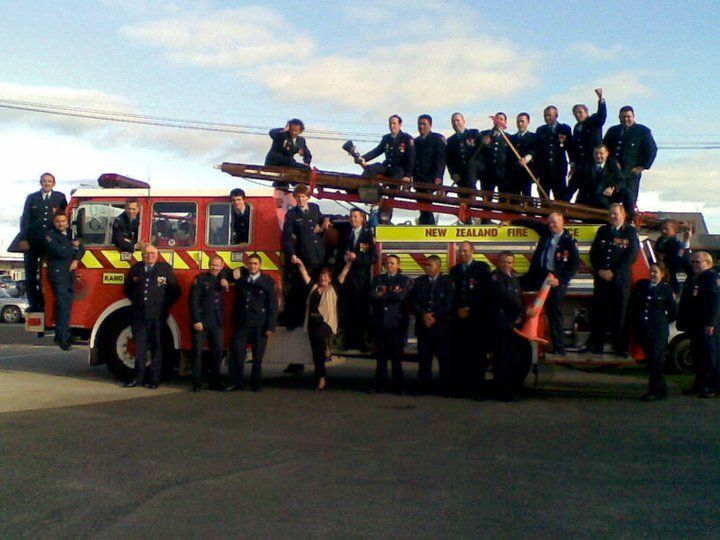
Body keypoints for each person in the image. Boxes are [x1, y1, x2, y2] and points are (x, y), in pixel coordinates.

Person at [520, 212, 580, 356]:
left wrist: (561, 281)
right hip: (538, 276)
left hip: (555, 280)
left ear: (562, 222)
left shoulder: (569, 241)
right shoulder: (546, 231)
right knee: (513, 288)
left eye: (554, 222)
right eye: (549, 223)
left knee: (554, 311)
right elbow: (531, 222)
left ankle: (559, 348)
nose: (551, 225)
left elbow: (573, 264)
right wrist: (512, 222)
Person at [123, 244, 180, 389]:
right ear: (142, 255)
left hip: (158, 315)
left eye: (152, 253)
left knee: (157, 348)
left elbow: (174, 290)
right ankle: (138, 378)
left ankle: (154, 380)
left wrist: (163, 305)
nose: (150, 256)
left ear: (157, 254)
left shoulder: (164, 269)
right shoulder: (135, 269)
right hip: (139, 315)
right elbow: (128, 289)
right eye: (147, 254)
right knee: (140, 348)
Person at [588, 203, 640, 356]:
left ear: (623, 215)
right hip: (602, 280)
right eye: (610, 213)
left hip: (620, 281)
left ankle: (620, 347)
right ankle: (597, 345)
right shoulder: (603, 231)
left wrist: (614, 272)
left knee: (620, 314)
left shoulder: (630, 232)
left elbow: (631, 256)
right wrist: (600, 270)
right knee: (600, 313)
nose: (612, 216)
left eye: (615, 214)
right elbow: (594, 254)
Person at [295, 258, 352, 391]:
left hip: (325, 323)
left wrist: (349, 262)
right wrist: (300, 264)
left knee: (319, 339)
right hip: (312, 323)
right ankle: (320, 376)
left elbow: (343, 274)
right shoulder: (314, 288)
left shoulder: (333, 288)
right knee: (316, 353)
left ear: (330, 279)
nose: (323, 278)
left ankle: (323, 365)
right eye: (321, 276)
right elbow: (305, 275)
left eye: (326, 276)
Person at [227, 253, 278, 392]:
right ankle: (237, 383)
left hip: (259, 324)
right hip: (242, 322)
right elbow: (224, 274)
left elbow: (272, 305)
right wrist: (230, 276)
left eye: (255, 263)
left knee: (257, 357)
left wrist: (270, 326)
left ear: (260, 265)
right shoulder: (242, 277)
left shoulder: (267, 281)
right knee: (237, 354)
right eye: (250, 263)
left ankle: (256, 384)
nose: (252, 266)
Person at [18, 172, 67, 313]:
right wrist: (23, 239)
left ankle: (48, 303)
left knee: (50, 273)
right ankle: (34, 304)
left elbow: (65, 218)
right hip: (33, 242)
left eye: (49, 181)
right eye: (44, 181)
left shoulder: (60, 197)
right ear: (40, 183)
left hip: (51, 244)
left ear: (54, 183)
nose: (47, 184)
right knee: (31, 274)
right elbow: (25, 219)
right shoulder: (32, 198)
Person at [449, 241, 491, 397]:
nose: (463, 254)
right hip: (458, 318)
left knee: (477, 354)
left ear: (473, 251)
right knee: (460, 353)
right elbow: (452, 295)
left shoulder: (482, 268)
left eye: (466, 251)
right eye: (460, 251)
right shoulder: (455, 270)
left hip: (476, 318)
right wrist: (458, 310)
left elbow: (485, 294)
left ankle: (477, 389)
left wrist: (470, 310)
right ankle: (461, 388)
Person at [630, 262, 677, 401]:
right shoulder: (642, 286)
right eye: (651, 271)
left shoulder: (665, 290)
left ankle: (655, 390)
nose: (652, 274)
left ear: (662, 274)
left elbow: (674, 312)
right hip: (644, 330)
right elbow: (634, 305)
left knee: (656, 361)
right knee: (651, 362)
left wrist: (660, 322)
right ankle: (661, 390)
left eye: (655, 272)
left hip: (658, 331)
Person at [488, 251, 530, 402]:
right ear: (498, 263)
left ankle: (514, 388)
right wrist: (525, 310)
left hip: (514, 326)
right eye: (504, 262)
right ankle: (503, 392)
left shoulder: (514, 279)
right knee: (503, 361)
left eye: (510, 262)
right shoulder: (495, 278)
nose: (507, 265)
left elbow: (519, 297)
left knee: (521, 358)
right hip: (502, 326)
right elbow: (506, 297)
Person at [410, 255, 455, 396]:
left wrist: (434, 316)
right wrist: (423, 314)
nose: (427, 267)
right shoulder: (419, 282)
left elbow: (449, 303)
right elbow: (413, 301)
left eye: (430, 265)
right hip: (424, 326)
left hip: (441, 326)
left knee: (444, 358)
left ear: (438, 267)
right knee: (424, 358)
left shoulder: (447, 282)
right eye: (426, 265)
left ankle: (444, 388)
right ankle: (423, 387)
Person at [677, 251, 720, 398]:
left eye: (698, 262)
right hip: (695, 324)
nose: (694, 265)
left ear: (708, 263)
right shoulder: (695, 278)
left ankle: (715, 386)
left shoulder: (711, 277)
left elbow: (715, 301)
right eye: (693, 262)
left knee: (710, 357)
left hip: (707, 324)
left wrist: (711, 322)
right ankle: (700, 384)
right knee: (698, 356)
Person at [358, 114, 415, 223]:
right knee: (370, 169)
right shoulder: (386, 138)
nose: (392, 126)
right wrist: (363, 158)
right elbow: (377, 150)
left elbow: (410, 158)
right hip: (387, 166)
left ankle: (388, 210)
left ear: (400, 125)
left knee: (394, 182)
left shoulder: (407, 138)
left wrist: (408, 175)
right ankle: (369, 197)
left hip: (398, 168)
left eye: (394, 123)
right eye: (390, 123)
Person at [369, 255, 412, 394]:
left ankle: (399, 386)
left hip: (396, 324)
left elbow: (400, 296)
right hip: (380, 323)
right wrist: (390, 293)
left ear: (398, 265)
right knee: (380, 357)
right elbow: (372, 296)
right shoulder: (378, 279)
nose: (389, 265)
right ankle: (379, 386)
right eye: (387, 263)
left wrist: (383, 295)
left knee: (396, 357)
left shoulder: (404, 280)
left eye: (392, 263)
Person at [44, 212, 85, 350]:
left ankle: (63, 334)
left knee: (67, 306)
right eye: (58, 221)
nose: (61, 224)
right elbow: (60, 252)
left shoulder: (70, 234)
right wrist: (73, 245)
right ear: (54, 223)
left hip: (69, 275)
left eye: (63, 221)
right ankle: (62, 339)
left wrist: (76, 259)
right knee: (62, 307)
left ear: (67, 221)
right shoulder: (50, 236)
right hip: (58, 275)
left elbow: (82, 248)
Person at [337, 208, 376, 351]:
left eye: (355, 216)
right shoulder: (346, 233)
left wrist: (356, 258)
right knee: (347, 311)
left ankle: (361, 342)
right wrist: (344, 258)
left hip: (361, 280)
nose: (352, 219)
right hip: (347, 279)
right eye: (351, 216)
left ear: (362, 218)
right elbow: (340, 252)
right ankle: (348, 341)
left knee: (361, 311)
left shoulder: (367, 235)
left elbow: (372, 257)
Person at [603, 106, 658, 206]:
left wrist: (642, 166)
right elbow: (604, 148)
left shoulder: (642, 131)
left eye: (628, 116)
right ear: (619, 118)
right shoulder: (613, 131)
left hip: (631, 173)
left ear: (633, 116)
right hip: (613, 173)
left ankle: (630, 220)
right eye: (623, 117)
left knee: (629, 201)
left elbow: (652, 150)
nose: (626, 119)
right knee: (610, 201)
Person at [188, 255, 228, 392]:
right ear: (209, 264)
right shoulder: (200, 279)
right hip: (202, 322)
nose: (214, 267)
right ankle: (197, 383)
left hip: (217, 322)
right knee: (197, 353)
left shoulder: (223, 277)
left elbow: (240, 270)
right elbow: (193, 300)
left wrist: (223, 276)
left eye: (217, 265)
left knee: (217, 353)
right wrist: (196, 320)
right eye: (212, 265)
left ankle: (215, 382)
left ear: (222, 266)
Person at [570, 144, 632, 214]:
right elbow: (573, 183)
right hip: (590, 198)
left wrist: (613, 187)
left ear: (607, 154)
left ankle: (630, 217)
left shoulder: (612, 164)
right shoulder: (586, 165)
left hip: (607, 199)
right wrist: (564, 200)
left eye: (601, 153)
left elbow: (621, 180)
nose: (598, 156)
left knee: (626, 191)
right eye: (596, 154)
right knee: (597, 196)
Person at [413, 114, 446, 225]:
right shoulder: (415, 141)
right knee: (421, 205)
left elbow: (440, 160)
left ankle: (429, 226)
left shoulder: (437, 139)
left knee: (427, 205)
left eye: (424, 124)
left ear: (430, 125)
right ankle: (424, 224)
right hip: (418, 179)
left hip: (430, 178)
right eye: (419, 124)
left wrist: (438, 178)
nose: (421, 127)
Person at [534, 106, 572, 201]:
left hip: (559, 171)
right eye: (545, 116)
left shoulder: (564, 128)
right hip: (544, 172)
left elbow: (570, 148)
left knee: (560, 199)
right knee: (543, 200)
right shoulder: (540, 130)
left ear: (556, 115)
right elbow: (537, 151)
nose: (547, 118)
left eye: (550, 115)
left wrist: (573, 165)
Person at [569, 88, 607, 169]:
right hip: (581, 163)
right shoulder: (576, 127)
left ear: (586, 112)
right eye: (575, 113)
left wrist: (601, 100)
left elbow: (602, 115)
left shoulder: (593, 121)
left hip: (593, 161)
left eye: (580, 112)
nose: (578, 115)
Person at [655, 219, 692, 295]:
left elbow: (683, 262)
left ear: (674, 230)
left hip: (672, 278)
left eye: (666, 229)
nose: (663, 231)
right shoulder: (659, 242)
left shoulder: (677, 245)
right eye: (662, 229)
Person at [478, 113, 510, 195]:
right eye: (497, 119)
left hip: (503, 174)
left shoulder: (509, 138)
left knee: (504, 200)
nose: (499, 121)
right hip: (487, 174)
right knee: (486, 200)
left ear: (505, 122)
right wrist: (485, 144)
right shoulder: (484, 134)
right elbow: (478, 152)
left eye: (501, 119)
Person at [507, 113, 537, 197]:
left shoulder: (533, 137)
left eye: (522, 121)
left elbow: (534, 150)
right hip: (513, 174)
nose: (520, 124)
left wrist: (527, 158)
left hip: (526, 173)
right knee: (513, 199)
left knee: (527, 197)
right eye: (518, 122)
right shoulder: (511, 138)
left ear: (528, 122)